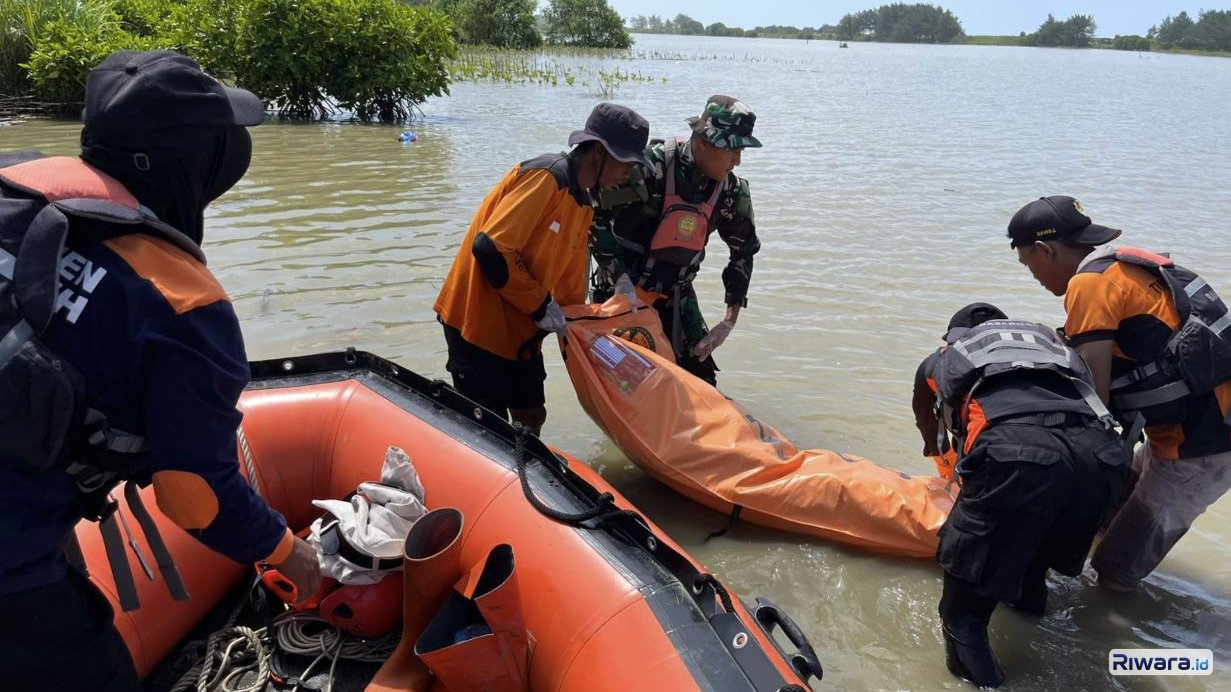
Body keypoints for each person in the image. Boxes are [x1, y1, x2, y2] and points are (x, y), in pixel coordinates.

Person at [0, 51, 321, 691]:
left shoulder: (13, 183)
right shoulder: (182, 304)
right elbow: (194, 495)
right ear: (190, 163)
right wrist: (289, 553)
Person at [1008, 195, 1231, 592]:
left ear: (1045, 250)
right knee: (1108, 514)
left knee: (1115, 569)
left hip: (1202, 447)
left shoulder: (1089, 284)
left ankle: (1105, 638)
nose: (1036, 279)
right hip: (1198, 422)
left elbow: (1095, 400)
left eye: (1030, 266)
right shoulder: (1125, 267)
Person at [916, 304, 1130, 687]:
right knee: (1032, 568)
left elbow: (931, 430)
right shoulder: (1052, 347)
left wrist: (956, 481)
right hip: (1101, 460)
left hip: (1020, 456)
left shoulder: (946, 356)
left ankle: (983, 683)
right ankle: (1031, 616)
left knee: (963, 616)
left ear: (953, 336)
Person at [434, 103, 650, 435]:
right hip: (476, 324)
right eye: (627, 164)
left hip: (521, 333)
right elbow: (490, 248)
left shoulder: (584, 203)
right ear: (599, 153)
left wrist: (588, 325)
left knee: (532, 415)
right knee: (489, 432)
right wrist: (539, 306)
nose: (627, 175)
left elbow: (567, 285)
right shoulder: (546, 177)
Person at [589, 95, 761, 386]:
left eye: (741, 150)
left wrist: (728, 322)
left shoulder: (731, 193)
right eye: (732, 149)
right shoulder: (648, 169)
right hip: (621, 292)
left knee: (702, 377)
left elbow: (743, 252)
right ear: (704, 141)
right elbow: (594, 214)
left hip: (676, 294)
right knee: (627, 381)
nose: (737, 161)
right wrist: (618, 280)